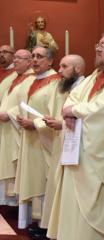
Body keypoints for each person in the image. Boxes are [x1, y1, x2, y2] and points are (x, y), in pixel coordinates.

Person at [47, 31, 104, 240]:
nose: (97, 48)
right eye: (98, 43)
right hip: (76, 152)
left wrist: (75, 112)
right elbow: (72, 98)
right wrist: (70, 109)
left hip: (96, 159)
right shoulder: (94, 76)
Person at [15, 46, 64, 234]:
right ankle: (36, 220)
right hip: (31, 138)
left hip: (46, 140)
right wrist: (20, 118)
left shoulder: (56, 83)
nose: (35, 60)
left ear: (51, 61)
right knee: (34, 178)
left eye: (39, 57)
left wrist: (35, 123)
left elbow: (57, 112)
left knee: (46, 180)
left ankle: (46, 225)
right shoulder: (32, 80)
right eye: (33, 56)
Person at [37, 54, 85, 237]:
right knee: (56, 185)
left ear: (78, 69)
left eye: (64, 66)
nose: (59, 70)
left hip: (75, 147)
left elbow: (83, 116)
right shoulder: (68, 87)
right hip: (63, 143)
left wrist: (60, 124)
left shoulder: (83, 86)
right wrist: (56, 121)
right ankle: (52, 228)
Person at [0, 49, 35, 207]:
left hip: (18, 126)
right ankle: (9, 200)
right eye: (14, 58)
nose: (15, 61)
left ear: (29, 61)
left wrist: (10, 113)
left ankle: (16, 202)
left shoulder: (32, 78)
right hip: (7, 127)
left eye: (18, 58)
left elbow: (27, 102)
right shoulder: (17, 77)